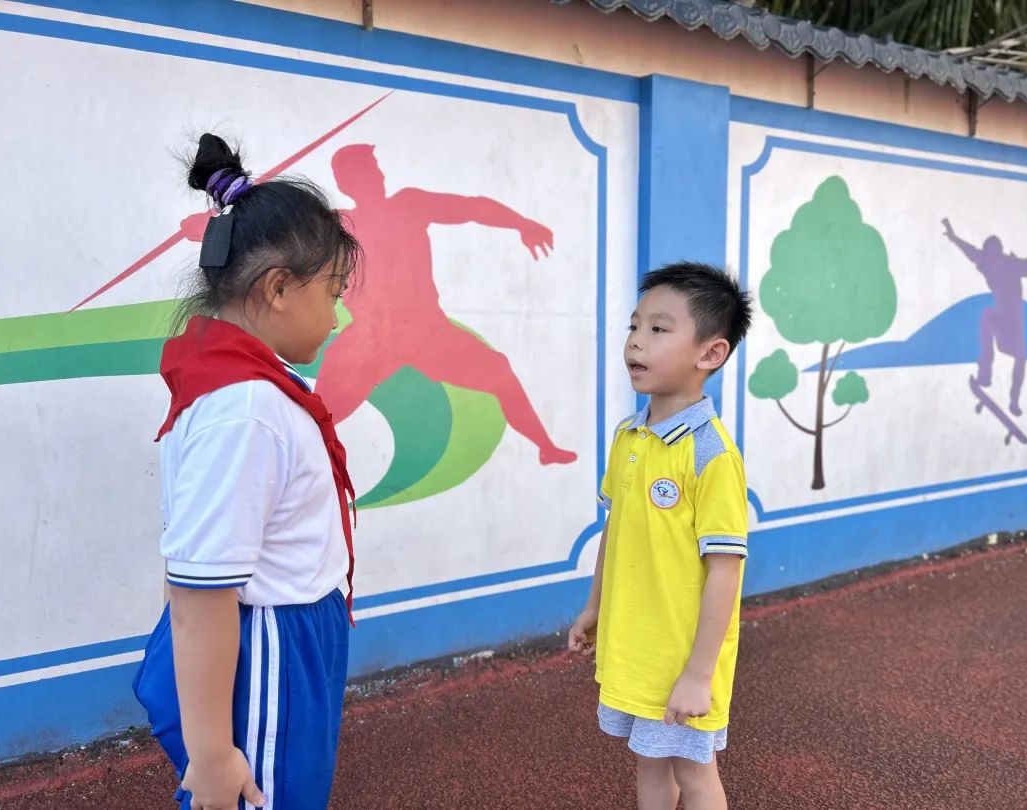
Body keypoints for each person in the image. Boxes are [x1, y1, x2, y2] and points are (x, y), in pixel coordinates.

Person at [132, 132, 363, 810]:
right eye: (334, 290)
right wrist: (211, 752)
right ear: (280, 288)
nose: (338, 313)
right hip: (268, 644)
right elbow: (201, 591)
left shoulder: (250, 388)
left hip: (289, 631)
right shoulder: (247, 409)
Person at [569, 262, 753, 810]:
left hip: (682, 659)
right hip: (635, 650)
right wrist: (593, 607)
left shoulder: (711, 455)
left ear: (710, 354)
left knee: (695, 775)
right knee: (649, 765)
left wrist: (699, 674)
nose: (636, 342)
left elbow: (726, 570)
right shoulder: (629, 435)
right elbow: (615, 531)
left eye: (658, 329)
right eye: (634, 326)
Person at [314, 143, 576, 465]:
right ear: (346, 183)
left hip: (427, 332)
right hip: (371, 336)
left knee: (498, 371)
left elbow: (473, 208)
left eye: (376, 168)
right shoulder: (337, 223)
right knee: (320, 413)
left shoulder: (409, 204)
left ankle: (546, 447)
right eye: (368, 170)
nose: (378, 175)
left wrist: (523, 224)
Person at [942, 218, 1027, 416]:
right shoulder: (989, 262)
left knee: (1020, 357)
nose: (991, 263)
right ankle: (985, 375)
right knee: (987, 316)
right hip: (1001, 322)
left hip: (1013, 328)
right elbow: (971, 252)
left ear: (998, 253)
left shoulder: (1011, 264)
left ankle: (1014, 400)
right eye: (989, 259)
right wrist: (953, 237)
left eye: (993, 258)